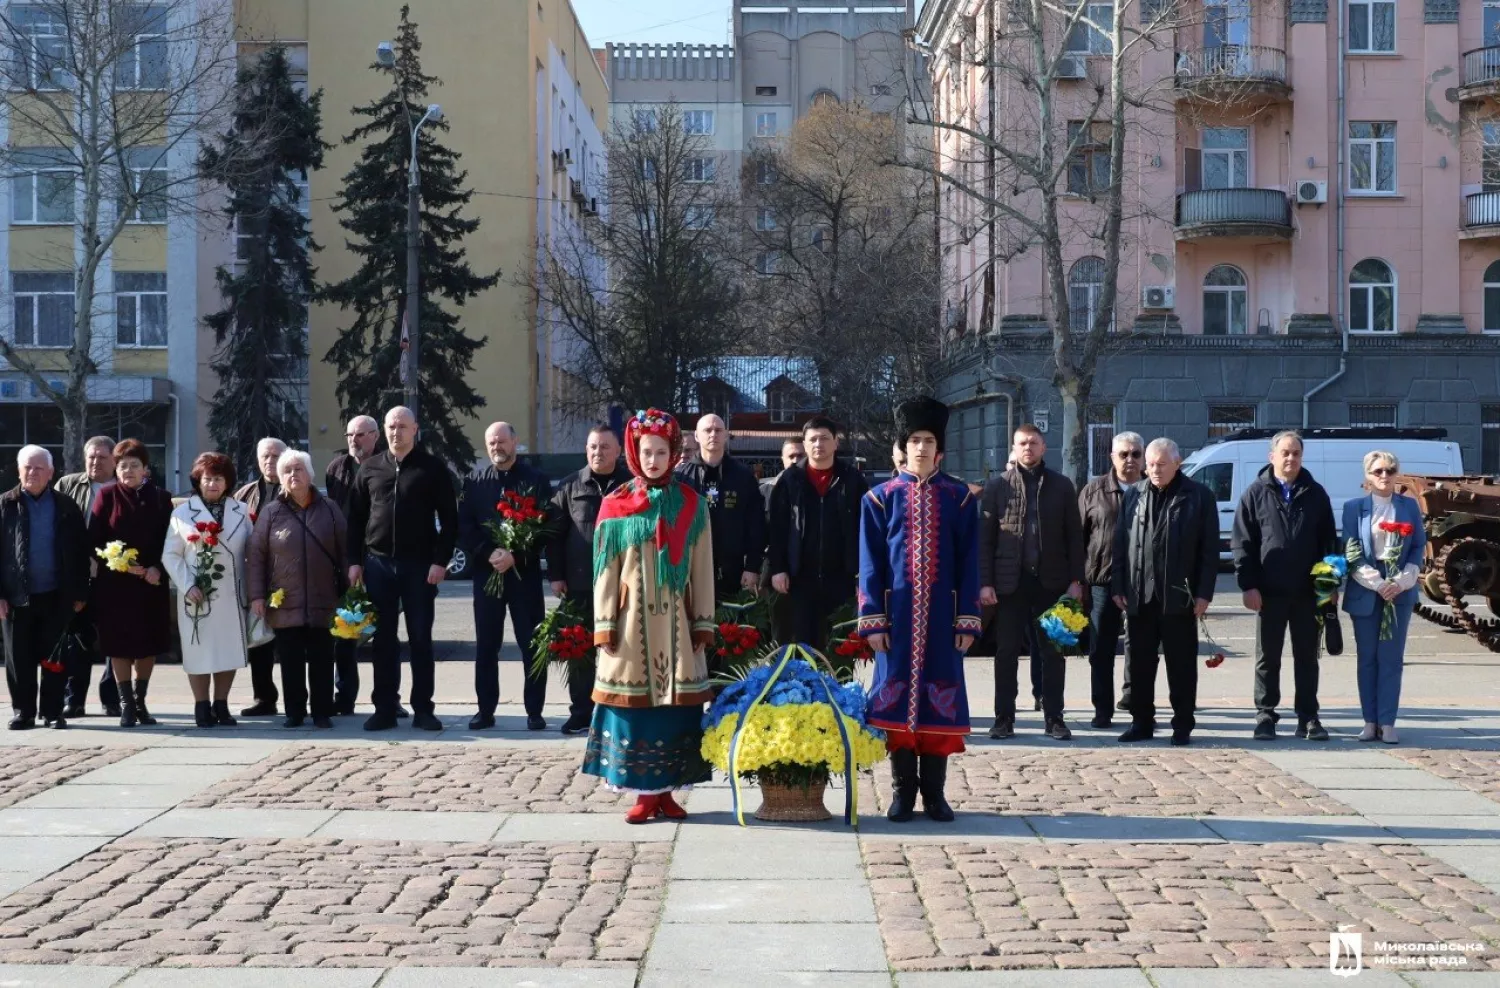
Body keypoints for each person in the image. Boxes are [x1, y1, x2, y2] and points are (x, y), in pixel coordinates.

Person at [583, 409, 715, 824]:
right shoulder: (616, 503)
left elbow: (703, 566)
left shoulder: (692, 504)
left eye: (662, 452)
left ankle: (669, 792)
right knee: (634, 707)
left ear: (675, 454)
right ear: (635, 454)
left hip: (678, 624)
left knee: (677, 709)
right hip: (629, 624)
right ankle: (643, 793)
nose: (654, 460)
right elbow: (604, 569)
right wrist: (604, 623)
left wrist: (703, 622)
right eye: (647, 452)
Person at [858, 396, 980, 823]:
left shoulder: (960, 498)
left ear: (939, 448)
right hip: (896, 620)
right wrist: (872, 620)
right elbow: (869, 564)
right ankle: (901, 792)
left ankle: (935, 794)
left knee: (939, 699)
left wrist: (968, 617)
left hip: (943, 620)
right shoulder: (878, 499)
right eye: (914, 440)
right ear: (903, 446)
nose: (922, 447)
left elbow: (970, 562)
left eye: (929, 440)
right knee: (894, 699)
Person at [346, 406, 457, 732]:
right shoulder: (369, 469)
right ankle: (384, 708)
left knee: (420, 638)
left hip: (420, 566)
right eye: (391, 426)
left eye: (403, 426)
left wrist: (440, 561)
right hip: (378, 564)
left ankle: (423, 708)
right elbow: (354, 519)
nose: (397, 432)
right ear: (385, 430)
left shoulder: (432, 469)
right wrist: (354, 561)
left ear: (415, 429)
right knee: (382, 640)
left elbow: (450, 520)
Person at [978, 425, 1085, 741]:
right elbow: (985, 541)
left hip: (1052, 583)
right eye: (1022, 443)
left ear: (1044, 447)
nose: (1028, 448)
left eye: (1033, 443)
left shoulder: (1062, 486)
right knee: (1006, 652)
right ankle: (1003, 719)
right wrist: (985, 583)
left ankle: (1055, 718)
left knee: (1054, 651)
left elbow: (1075, 538)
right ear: (1014, 447)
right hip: (1010, 584)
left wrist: (1076, 581)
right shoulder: (997, 487)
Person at [1111, 438, 1218, 745]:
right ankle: (1141, 722)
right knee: (1140, 665)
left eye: (1160, 464)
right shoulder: (1135, 494)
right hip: (1140, 594)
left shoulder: (1199, 497)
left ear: (1177, 463)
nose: (1154, 470)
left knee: (1181, 665)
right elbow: (1120, 544)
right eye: (1150, 464)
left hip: (1179, 595)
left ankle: (1182, 724)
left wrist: (1203, 594)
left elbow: (1209, 551)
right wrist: (1119, 584)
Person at [1233, 429, 1338, 741]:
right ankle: (1265, 716)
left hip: (1307, 594)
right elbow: (1243, 545)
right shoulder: (1254, 493)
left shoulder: (1316, 494)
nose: (1290, 458)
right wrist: (1248, 585)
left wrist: (1329, 585)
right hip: (1268, 593)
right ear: (1272, 457)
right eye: (1285, 453)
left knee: (1307, 658)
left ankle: (1308, 717)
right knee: (1268, 658)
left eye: (1295, 453)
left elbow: (1329, 542)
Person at [459, 421, 556, 732]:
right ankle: (485, 711)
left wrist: (517, 555)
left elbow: (546, 528)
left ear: (515, 442)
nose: (497, 447)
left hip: (523, 575)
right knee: (487, 645)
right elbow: (465, 527)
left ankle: (534, 711)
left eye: (502, 441)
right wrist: (489, 553)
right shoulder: (474, 481)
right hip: (487, 575)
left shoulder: (536, 480)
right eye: (491, 443)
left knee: (531, 644)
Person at [249, 450, 348, 730]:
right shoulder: (271, 512)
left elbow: (344, 550)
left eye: (298, 469)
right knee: (290, 661)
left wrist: (352, 587)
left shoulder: (329, 508)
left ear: (310, 474)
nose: (294, 475)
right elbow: (257, 556)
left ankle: (321, 711)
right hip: (284, 601)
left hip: (323, 599)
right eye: (287, 471)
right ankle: (294, 711)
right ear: (280, 478)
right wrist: (257, 595)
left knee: (322, 659)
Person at [547, 423, 632, 735]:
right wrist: (556, 576)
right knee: (579, 651)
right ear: (586, 450)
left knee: (621, 650)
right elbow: (554, 536)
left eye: (605, 447)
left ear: (618, 451)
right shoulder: (570, 487)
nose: (598, 452)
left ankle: (618, 712)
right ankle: (581, 712)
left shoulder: (631, 486)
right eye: (593, 447)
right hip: (581, 585)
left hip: (624, 587)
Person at [161, 453, 252, 728]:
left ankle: (221, 705)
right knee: (198, 651)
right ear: (198, 481)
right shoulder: (182, 513)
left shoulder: (241, 511)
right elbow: (171, 555)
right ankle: (201, 705)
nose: (212, 484)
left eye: (218, 479)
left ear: (228, 482)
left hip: (232, 594)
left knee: (228, 650)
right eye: (207, 479)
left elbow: (253, 550)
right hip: (197, 593)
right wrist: (187, 584)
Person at [88, 439, 174, 728]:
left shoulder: (162, 498)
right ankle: (125, 705)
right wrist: (119, 562)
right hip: (116, 585)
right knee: (119, 645)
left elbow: (172, 542)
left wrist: (157, 568)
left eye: (134, 465)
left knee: (147, 644)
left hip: (150, 583)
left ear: (145, 469)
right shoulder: (106, 496)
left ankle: (140, 702)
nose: (128, 471)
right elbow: (95, 540)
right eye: (123, 465)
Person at [1, 446, 89, 730]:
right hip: (16, 597)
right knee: (19, 659)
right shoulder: (5, 505)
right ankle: (24, 712)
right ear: (18, 470)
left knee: (54, 658)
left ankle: (52, 711)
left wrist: (80, 593)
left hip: (56, 596)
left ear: (51, 473)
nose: (32, 472)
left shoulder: (66, 506)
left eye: (39, 468)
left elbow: (79, 551)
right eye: (27, 467)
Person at [1342, 450, 1425, 745]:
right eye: (1378, 471)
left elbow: (1418, 547)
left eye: (1390, 470)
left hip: (1398, 588)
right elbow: (1351, 551)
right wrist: (1378, 583)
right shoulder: (1354, 508)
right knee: (1368, 659)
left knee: (1391, 659)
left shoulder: (1409, 507)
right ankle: (1369, 721)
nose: (1384, 476)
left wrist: (1401, 581)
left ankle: (1388, 722)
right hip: (1367, 587)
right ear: (1368, 475)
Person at [768, 416, 868, 646]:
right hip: (798, 578)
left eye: (824, 438)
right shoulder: (790, 480)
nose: (818, 444)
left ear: (836, 443)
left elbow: (865, 529)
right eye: (812, 439)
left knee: (839, 647)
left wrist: (861, 575)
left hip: (841, 577)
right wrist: (778, 568)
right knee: (800, 645)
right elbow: (777, 528)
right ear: (804, 444)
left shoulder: (852, 480)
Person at [1078, 432, 1143, 728]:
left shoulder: (1150, 489)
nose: (1130, 460)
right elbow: (1078, 539)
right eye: (1123, 454)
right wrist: (1077, 581)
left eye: (1135, 454)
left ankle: (1134, 700)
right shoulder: (1093, 491)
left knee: (1140, 647)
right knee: (1101, 649)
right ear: (1112, 458)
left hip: (1141, 581)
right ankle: (1102, 708)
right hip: (1102, 581)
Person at [53, 435, 119, 717]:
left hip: (115, 577)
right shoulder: (67, 485)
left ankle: (113, 698)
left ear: (114, 460)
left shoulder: (125, 487)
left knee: (115, 640)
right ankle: (74, 699)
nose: (95, 462)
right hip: (78, 578)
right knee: (76, 640)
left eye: (102, 457)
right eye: (91, 457)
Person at [676, 413, 766, 603]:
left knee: (732, 628)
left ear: (726, 435)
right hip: (690, 570)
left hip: (734, 571)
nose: (713, 434)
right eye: (707, 430)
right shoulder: (681, 478)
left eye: (718, 430)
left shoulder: (743, 477)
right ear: (697, 437)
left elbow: (756, 524)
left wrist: (752, 567)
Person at [324, 414, 380, 714]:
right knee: (345, 632)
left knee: (381, 634)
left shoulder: (386, 464)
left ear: (375, 436)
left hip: (380, 556)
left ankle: (388, 698)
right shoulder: (336, 468)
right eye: (349, 435)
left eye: (359, 435)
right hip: (346, 561)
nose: (353, 441)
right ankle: (344, 697)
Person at [233, 437, 287, 717]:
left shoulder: (297, 490)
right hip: (255, 576)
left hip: (289, 576)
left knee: (291, 643)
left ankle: (296, 699)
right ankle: (264, 698)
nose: (271, 461)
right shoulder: (245, 494)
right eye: (265, 456)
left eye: (277, 455)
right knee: (260, 642)